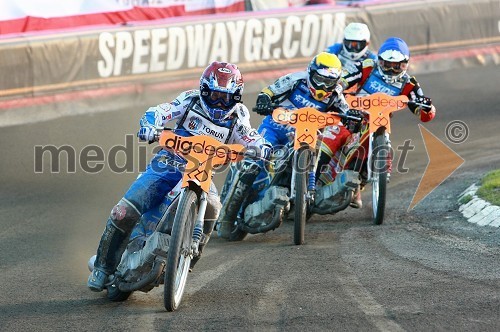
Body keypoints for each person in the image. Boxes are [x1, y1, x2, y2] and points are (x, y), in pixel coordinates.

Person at [87, 61, 271, 292]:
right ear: (204, 90)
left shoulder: (239, 114)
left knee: (214, 205)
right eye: (214, 96)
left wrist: (261, 146)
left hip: (202, 173)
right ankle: (103, 267)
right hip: (168, 164)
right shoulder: (190, 99)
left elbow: (250, 135)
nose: (219, 102)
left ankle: (187, 259)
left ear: (236, 97)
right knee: (123, 212)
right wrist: (150, 125)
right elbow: (161, 111)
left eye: (225, 98)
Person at [217, 52, 356, 238]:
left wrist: (353, 119)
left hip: (306, 135)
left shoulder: (336, 95)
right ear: (311, 73)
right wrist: (264, 100)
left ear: (336, 82)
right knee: (256, 159)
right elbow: (269, 91)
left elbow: (346, 112)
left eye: (329, 82)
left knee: (319, 154)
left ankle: (305, 193)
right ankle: (229, 211)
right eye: (319, 80)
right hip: (275, 128)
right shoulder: (295, 80)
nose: (323, 87)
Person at [318, 37, 436, 208]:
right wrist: (339, 90)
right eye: (387, 64)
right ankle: (308, 185)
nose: (391, 70)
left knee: (366, 151)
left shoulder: (410, 84)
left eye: (397, 66)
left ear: (406, 64)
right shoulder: (367, 66)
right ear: (379, 61)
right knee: (332, 138)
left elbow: (424, 112)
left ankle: (357, 184)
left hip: (378, 123)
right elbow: (344, 80)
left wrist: (427, 107)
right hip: (351, 115)